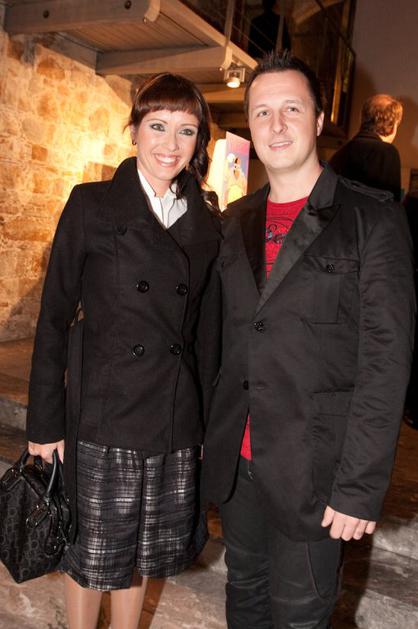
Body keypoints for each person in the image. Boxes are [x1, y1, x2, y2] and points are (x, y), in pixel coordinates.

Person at [201, 52, 415, 628]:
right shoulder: (234, 221)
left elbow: (386, 363)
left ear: (319, 120)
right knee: (244, 597)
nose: (276, 125)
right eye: (262, 112)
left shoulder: (373, 220)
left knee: (300, 616)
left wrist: (358, 487)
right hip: (239, 464)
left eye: (292, 109)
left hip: (316, 471)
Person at [26, 72, 221, 629]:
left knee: (143, 555)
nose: (170, 144)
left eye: (186, 131)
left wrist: (206, 428)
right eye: (157, 126)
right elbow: (53, 318)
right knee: (92, 552)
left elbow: (208, 338)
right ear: (134, 130)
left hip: (173, 419)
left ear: (198, 142)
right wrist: (45, 423)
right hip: (103, 414)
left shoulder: (208, 222)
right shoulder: (91, 205)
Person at [330, 93, 403, 200]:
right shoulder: (387, 152)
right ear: (393, 127)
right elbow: (391, 204)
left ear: (362, 119)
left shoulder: (340, 153)